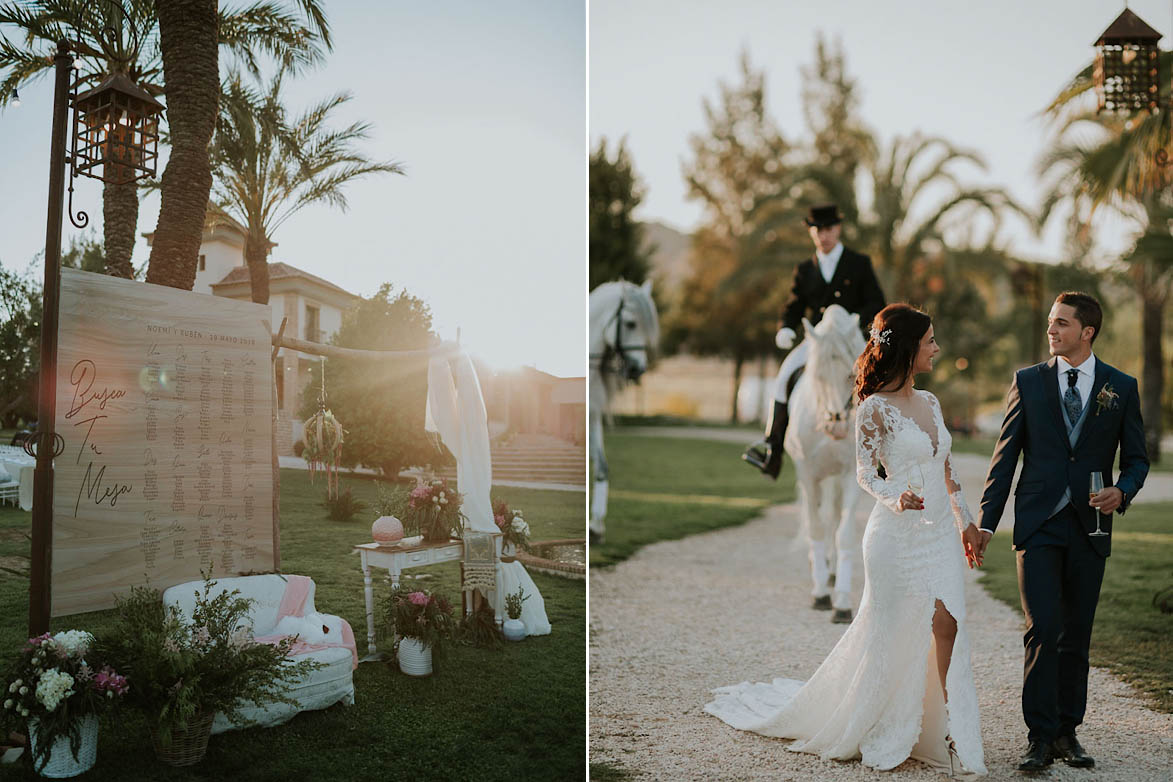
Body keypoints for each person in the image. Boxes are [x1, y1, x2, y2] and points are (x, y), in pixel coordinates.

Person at [709, 304, 986, 777]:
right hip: (894, 538)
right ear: (907, 348)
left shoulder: (934, 404)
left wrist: (966, 521)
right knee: (890, 632)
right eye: (930, 341)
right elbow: (863, 474)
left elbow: (946, 467)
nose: (937, 348)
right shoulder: (873, 408)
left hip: (940, 534)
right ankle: (874, 720)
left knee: (947, 624)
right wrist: (894, 497)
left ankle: (951, 730)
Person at [967, 292, 1148, 773]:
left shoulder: (1120, 387)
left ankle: (1069, 733)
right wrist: (987, 522)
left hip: (1090, 526)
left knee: (1077, 634)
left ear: (1087, 332)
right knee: (1043, 628)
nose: (1052, 330)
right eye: (1051, 322)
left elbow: (1137, 459)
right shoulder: (1028, 382)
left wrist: (1122, 492)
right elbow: (1004, 460)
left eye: (1062, 324)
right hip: (1039, 523)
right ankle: (1038, 737)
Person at [746, 203, 885, 478]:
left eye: (828, 229)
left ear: (838, 229)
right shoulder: (804, 269)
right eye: (817, 230)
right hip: (819, 340)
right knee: (785, 374)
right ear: (812, 232)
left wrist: (858, 321)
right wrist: (786, 327)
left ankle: (883, 456)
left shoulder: (859, 263)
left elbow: (876, 302)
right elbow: (795, 304)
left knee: (878, 381)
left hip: (850, 339)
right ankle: (773, 450)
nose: (823, 235)